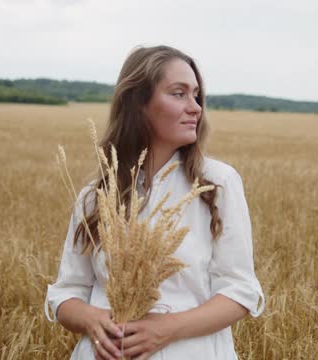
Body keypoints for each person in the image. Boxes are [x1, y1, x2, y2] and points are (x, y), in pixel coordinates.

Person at [44, 44, 265, 360]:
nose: (196, 107)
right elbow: (66, 294)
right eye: (179, 94)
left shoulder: (218, 183)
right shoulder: (96, 197)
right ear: (139, 103)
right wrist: (91, 319)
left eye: (196, 95)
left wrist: (167, 329)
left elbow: (240, 291)